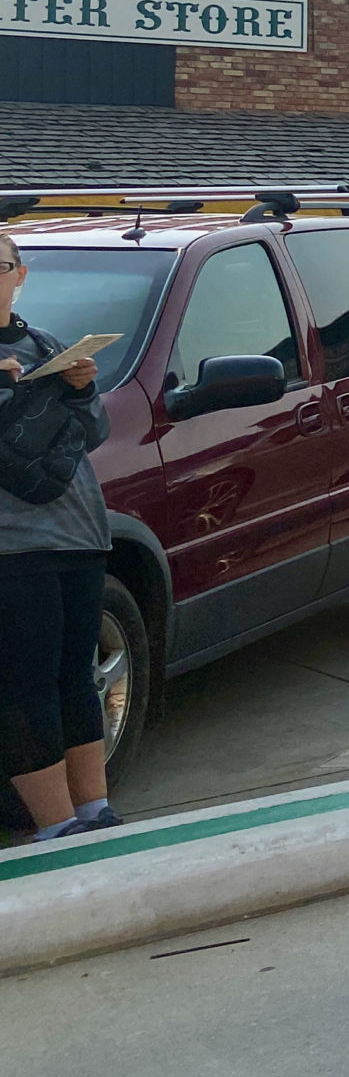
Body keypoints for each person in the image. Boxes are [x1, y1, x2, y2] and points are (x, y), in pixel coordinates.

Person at [0, 231, 115, 845]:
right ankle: (54, 825)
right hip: (12, 544)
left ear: (20, 275)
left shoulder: (45, 344)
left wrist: (82, 388)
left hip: (78, 531)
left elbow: (94, 433)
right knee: (27, 680)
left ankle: (95, 811)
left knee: (77, 673)